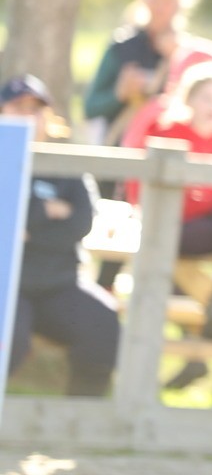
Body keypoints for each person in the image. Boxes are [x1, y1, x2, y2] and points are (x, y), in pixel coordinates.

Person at [126, 61, 212, 345]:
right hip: (172, 227)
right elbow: (141, 186)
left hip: (207, 228)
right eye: (207, 98)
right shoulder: (166, 133)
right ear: (190, 98)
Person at [2, 75, 120, 396]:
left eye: (35, 108)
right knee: (8, 339)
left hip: (59, 283)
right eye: (18, 107)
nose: (28, 115)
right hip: (9, 288)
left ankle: (82, 419)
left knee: (102, 323)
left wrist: (27, 225)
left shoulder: (67, 164)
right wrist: (46, 210)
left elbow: (81, 222)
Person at [84, 0, 200, 147]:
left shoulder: (191, 54)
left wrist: (175, 62)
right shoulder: (123, 46)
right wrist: (119, 94)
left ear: (180, 3)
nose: (160, 6)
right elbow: (90, 108)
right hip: (123, 152)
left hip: (174, 150)